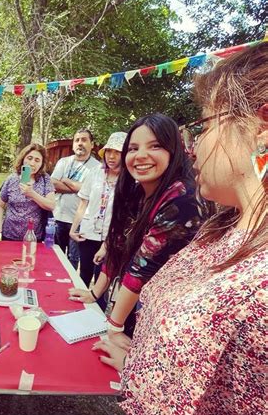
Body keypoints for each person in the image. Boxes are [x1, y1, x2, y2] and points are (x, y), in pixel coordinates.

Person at [94, 41, 267, 415]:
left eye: (206, 126)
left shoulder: (183, 203)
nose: (196, 146)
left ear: (261, 128)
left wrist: (118, 333)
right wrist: (137, 356)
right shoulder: (224, 223)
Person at [69, 114, 204, 336]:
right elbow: (117, 244)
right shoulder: (135, 191)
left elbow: (142, 268)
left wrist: (113, 327)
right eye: (133, 148)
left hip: (166, 320)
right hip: (137, 306)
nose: (141, 155)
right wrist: (94, 294)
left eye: (155, 146)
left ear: (174, 150)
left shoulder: (181, 197)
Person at [69, 132, 126, 293]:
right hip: (88, 234)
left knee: (103, 280)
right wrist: (74, 229)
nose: (112, 156)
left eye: (117, 152)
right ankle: (78, 312)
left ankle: (98, 313)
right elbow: (83, 203)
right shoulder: (94, 173)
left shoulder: (130, 180)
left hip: (112, 238)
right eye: (109, 151)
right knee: (84, 275)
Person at [51, 128, 100, 268]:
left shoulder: (97, 167)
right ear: (73, 144)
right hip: (58, 217)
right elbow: (53, 184)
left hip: (79, 221)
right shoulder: (63, 162)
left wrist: (65, 180)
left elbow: (90, 192)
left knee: (73, 258)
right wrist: (79, 187)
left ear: (92, 144)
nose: (80, 143)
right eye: (77, 140)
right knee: (55, 255)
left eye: (84, 140)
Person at [0, 143, 55, 241]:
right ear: (23, 159)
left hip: (34, 237)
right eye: (29, 158)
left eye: (37, 160)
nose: (32, 163)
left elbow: (51, 205)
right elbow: (0, 205)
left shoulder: (45, 179)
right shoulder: (12, 179)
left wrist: (32, 194)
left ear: (41, 164)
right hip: (9, 235)